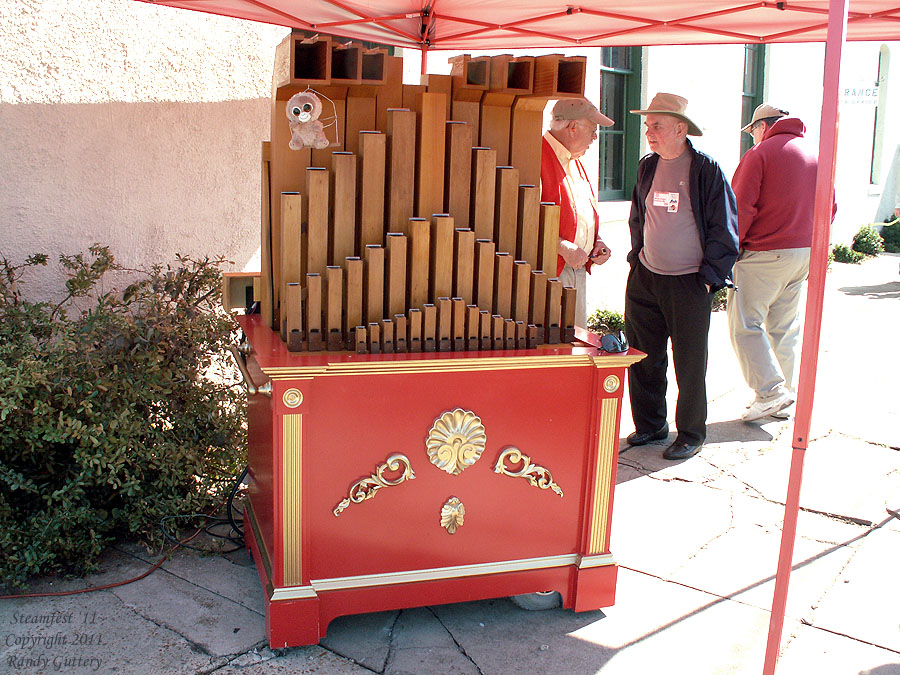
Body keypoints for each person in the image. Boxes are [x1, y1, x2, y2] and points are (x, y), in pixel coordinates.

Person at [624, 93, 739, 460]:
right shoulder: (647, 166)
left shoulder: (706, 169)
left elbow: (725, 228)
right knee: (643, 357)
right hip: (646, 277)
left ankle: (690, 434)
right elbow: (638, 217)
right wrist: (636, 259)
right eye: (647, 125)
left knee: (689, 363)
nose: (649, 132)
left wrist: (709, 277)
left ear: (680, 128)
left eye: (656, 125)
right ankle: (651, 426)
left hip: (689, 282)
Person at [728, 103, 833, 422]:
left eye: (753, 130)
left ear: (764, 126)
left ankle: (771, 392)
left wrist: (730, 249)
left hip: (764, 252)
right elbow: (830, 207)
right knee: (784, 327)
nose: (752, 137)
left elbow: (740, 207)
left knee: (744, 325)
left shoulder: (761, 154)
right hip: (804, 252)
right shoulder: (815, 153)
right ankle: (783, 397)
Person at [541, 97, 614, 328]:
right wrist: (562, 247)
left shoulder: (574, 160)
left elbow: (581, 214)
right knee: (556, 348)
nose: (595, 137)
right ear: (572, 127)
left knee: (575, 344)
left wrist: (596, 241)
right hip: (550, 272)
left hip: (575, 268)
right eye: (593, 130)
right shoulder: (536, 156)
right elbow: (522, 220)